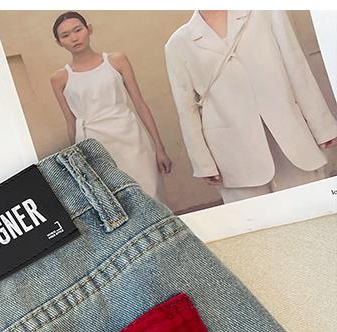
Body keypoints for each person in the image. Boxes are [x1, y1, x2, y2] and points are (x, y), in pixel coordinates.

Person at [165, 10, 337, 204]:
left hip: (290, 137)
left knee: (312, 208)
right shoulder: (178, 44)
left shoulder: (266, 12)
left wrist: (323, 127)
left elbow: (296, 68)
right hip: (233, 156)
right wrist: (203, 163)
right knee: (258, 219)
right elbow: (187, 110)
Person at [50, 11, 172, 203]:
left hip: (131, 138)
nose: (74, 38)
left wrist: (159, 147)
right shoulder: (59, 78)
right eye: (65, 35)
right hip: (94, 145)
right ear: (59, 42)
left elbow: (140, 104)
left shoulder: (116, 61)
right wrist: (77, 164)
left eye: (78, 30)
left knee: (150, 193)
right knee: (117, 202)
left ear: (89, 29)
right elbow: (70, 123)